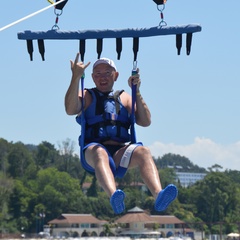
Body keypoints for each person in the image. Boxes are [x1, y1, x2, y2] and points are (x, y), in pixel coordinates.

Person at [65, 53, 177, 214]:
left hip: (119, 153)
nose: (102, 77)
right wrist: (75, 78)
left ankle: (159, 195)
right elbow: (70, 109)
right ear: (92, 77)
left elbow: (145, 121)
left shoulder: (125, 97)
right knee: (99, 152)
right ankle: (114, 196)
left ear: (116, 76)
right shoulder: (88, 95)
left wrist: (136, 92)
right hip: (92, 152)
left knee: (143, 151)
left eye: (107, 73)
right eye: (98, 74)